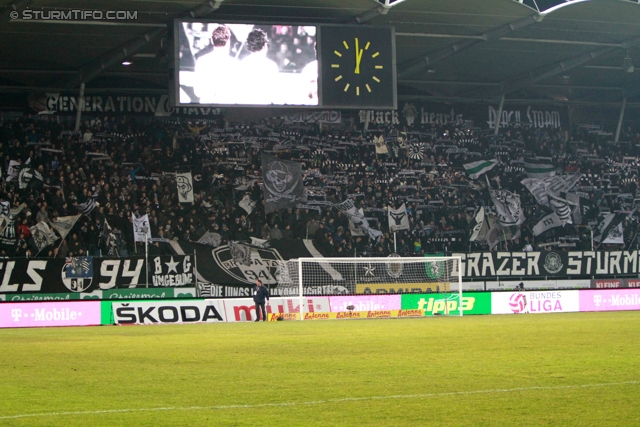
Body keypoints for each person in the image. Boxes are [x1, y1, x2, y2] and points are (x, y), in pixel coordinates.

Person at [193, 25, 238, 104]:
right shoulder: (234, 63)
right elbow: (237, 93)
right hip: (228, 110)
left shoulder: (201, 61)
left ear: (212, 40)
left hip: (206, 111)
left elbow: (197, 92)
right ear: (228, 41)